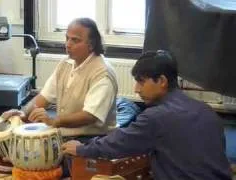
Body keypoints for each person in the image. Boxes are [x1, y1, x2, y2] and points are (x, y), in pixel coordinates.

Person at [62, 50, 232, 180]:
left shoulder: (157, 117)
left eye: (141, 81)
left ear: (162, 81)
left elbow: (118, 143)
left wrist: (81, 148)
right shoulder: (207, 111)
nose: (136, 89)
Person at [2, 17, 118, 140]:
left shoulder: (102, 72)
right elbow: (44, 97)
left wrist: (54, 121)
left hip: (94, 138)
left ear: (91, 45)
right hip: (65, 131)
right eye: (67, 38)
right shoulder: (65, 63)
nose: (68, 44)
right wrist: (23, 114)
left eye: (75, 40)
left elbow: (90, 116)